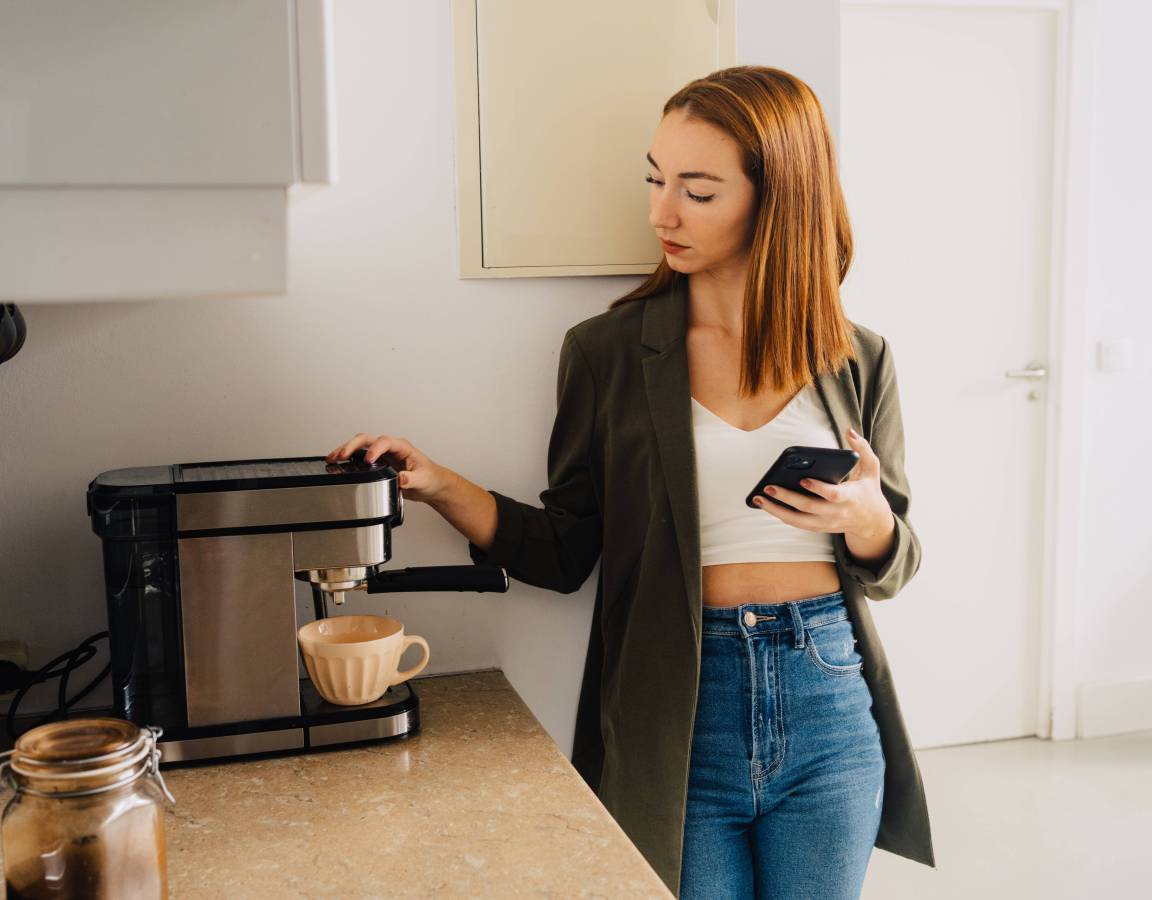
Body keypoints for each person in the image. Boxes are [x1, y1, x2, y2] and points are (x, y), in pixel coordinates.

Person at [327, 65, 934, 899]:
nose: (661, 212)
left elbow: (896, 562)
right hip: (674, 706)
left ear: (777, 198)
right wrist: (438, 484)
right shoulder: (607, 352)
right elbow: (566, 548)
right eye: (656, 180)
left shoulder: (857, 358)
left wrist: (867, 519)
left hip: (827, 691)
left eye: (698, 190)